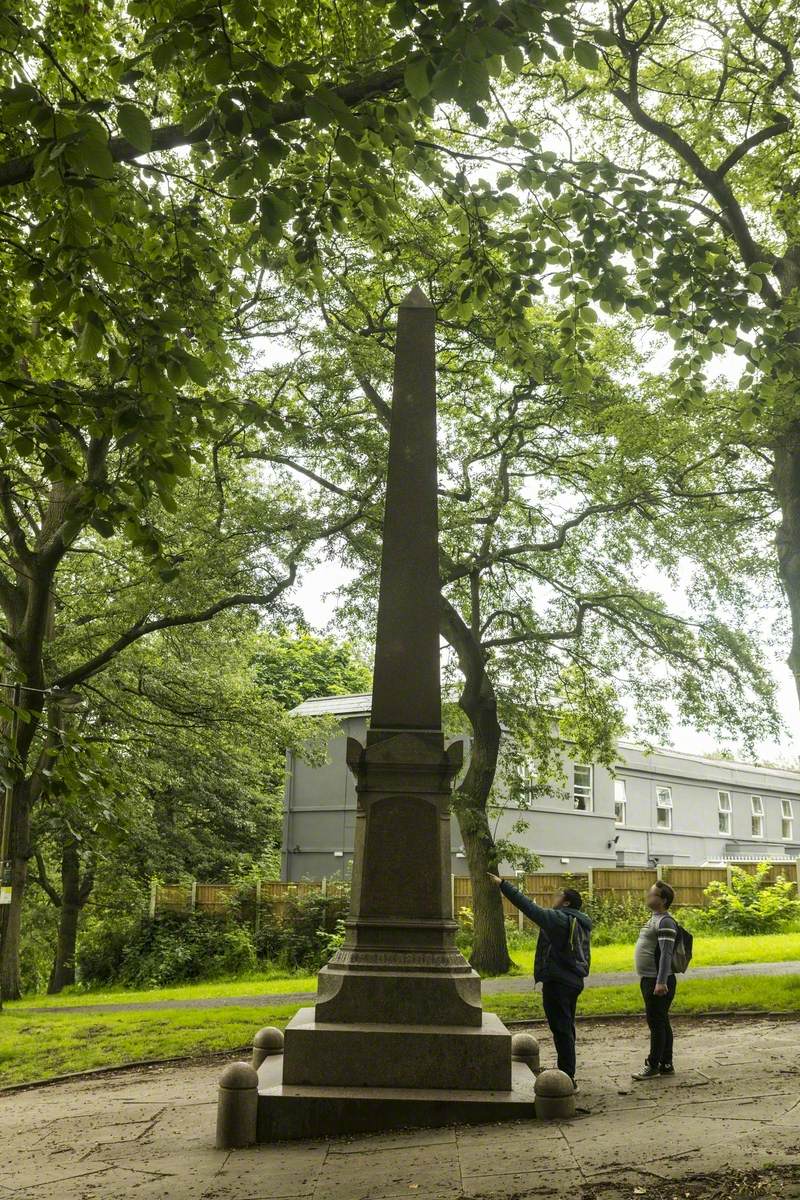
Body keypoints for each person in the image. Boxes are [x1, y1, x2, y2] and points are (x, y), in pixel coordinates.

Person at [487, 872, 591, 1088]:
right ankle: (566, 1073)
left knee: (562, 1029)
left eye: (558, 895)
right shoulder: (578, 921)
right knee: (566, 1027)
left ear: (567, 901)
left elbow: (530, 909)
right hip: (573, 981)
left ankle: (566, 1080)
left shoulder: (560, 919)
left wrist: (503, 885)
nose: (554, 897)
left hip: (559, 983)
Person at [632, 879, 678, 1080]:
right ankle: (666, 1064)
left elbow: (667, 954)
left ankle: (653, 1065)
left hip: (657, 981)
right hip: (649, 978)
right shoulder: (654, 918)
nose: (648, 896)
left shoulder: (665, 921)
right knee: (661, 1021)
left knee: (656, 1023)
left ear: (663, 899)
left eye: (652, 894)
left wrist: (661, 982)